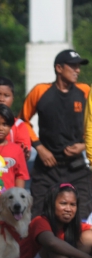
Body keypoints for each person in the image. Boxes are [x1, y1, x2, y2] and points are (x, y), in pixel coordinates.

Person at [19, 49, 92, 219]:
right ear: (59, 68)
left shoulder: (85, 91)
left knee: (80, 218)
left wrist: (83, 145)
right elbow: (22, 121)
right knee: (38, 217)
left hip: (77, 167)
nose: (78, 70)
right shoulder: (40, 91)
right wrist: (40, 148)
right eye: (73, 66)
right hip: (46, 168)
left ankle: (75, 246)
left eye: (78, 66)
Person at [6, 184, 92, 258]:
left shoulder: (74, 227)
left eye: (73, 205)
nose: (68, 209)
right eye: (63, 203)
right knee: (54, 247)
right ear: (52, 205)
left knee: (89, 237)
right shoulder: (40, 221)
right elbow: (51, 243)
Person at [0, 76, 30, 159]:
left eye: (6, 95)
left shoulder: (18, 125)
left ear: (12, 99)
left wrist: (24, 155)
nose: (1, 99)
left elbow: (22, 153)